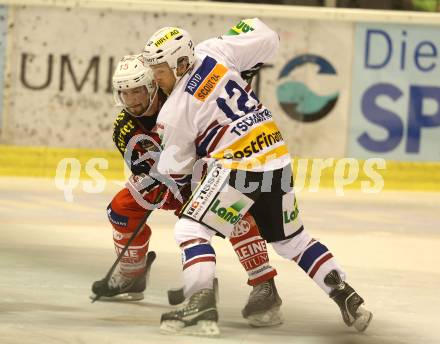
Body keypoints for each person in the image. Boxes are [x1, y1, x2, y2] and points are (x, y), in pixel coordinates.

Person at [143, 18, 373, 336]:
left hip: (237, 167)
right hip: (276, 160)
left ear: (181, 62)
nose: (156, 77)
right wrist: (241, 52)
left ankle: (199, 306)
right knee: (292, 240)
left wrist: (169, 171)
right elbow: (265, 35)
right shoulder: (216, 50)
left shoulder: (174, 110)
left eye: (161, 69)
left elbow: (177, 168)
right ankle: (347, 297)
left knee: (190, 228)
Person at [90, 54, 283, 327]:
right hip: (171, 182)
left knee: (234, 213)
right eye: (125, 93)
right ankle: (132, 274)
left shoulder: (181, 103)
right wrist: (162, 177)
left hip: (209, 173)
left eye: (137, 90)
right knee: (121, 208)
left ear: (152, 86)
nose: (132, 99)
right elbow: (143, 171)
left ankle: (265, 285)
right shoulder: (123, 127)